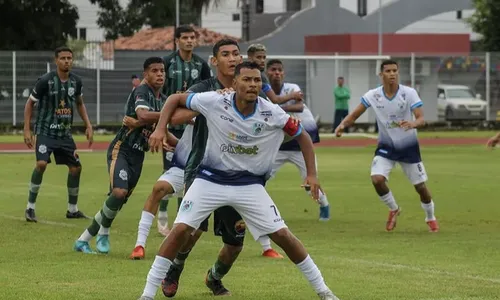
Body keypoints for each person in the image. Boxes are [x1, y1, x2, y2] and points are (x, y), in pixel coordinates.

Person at [138, 61, 339, 300]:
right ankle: (147, 294)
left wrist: (312, 174)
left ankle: (324, 292)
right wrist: (160, 128)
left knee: (282, 235)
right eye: (247, 79)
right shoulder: (214, 100)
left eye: (256, 80)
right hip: (209, 181)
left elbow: (302, 136)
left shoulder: (271, 111)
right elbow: (173, 99)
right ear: (234, 83)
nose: (252, 85)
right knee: (181, 230)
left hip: (248, 186)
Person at [155, 40, 284, 299]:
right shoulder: (204, 89)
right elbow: (177, 114)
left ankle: (214, 277)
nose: (232, 58)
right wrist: (208, 107)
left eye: (236, 53)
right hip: (201, 168)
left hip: (240, 175)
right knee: (192, 229)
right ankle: (175, 268)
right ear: (215, 61)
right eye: (225, 54)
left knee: (234, 244)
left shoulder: (251, 90)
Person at [73, 57, 177, 254]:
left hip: (139, 156)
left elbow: (162, 130)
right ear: (145, 74)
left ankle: (84, 239)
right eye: (154, 71)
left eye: (162, 70)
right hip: (122, 149)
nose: (160, 74)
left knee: (117, 200)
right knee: (118, 193)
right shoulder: (142, 91)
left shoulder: (163, 100)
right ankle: (100, 234)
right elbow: (143, 116)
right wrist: (168, 114)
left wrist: (179, 146)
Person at [335, 59, 439, 233]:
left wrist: (413, 124)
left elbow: (421, 118)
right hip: (386, 147)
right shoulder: (373, 95)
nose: (392, 74)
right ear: (381, 74)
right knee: (377, 179)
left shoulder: (409, 93)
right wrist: (342, 126)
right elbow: (354, 116)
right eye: (388, 71)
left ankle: (430, 217)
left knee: (421, 188)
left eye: (394, 71)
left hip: (408, 148)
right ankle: (393, 208)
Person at [23, 46, 93, 222]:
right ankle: (30, 208)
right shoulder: (45, 81)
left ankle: (72, 210)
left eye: (69, 58)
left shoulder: (76, 82)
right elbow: (30, 104)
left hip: (64, 134)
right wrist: (27, 129)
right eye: (63, 58)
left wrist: (88, 125)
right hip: (45, 132)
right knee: (41, 164)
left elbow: (79, 103)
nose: (66, 61)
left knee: (76, 168)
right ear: (56, 61)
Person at [157, 25, 212, 235]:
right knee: (171, 170)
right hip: (172, 125)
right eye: (185, 38)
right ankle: (162, 216)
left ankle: (182, 216)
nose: (189, 41)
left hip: (193, 127)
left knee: (189, 170)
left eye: (192, 37)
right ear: (177, 41)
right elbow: (159, 91)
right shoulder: (168, 62)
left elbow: (209, 91)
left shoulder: (201, 64)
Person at [266, 59, 330, 222]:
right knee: (260, 177)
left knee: (309, 183)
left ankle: (324, 205)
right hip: (279, 144)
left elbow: (299, 107)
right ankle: (258, 211)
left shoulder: (292, 88)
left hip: (300, 144)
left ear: (284, 73)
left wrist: (276, 108)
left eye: (280, 70)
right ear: (267, 72)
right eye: (273, 70)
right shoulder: (264, 91)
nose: (277, 73)